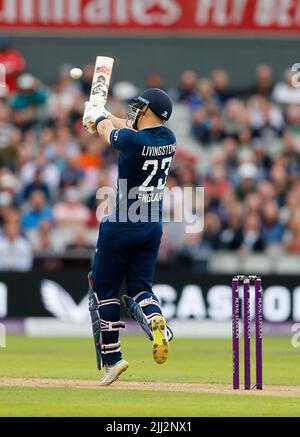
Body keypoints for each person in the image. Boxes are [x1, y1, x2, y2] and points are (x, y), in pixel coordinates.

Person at [83, 88, 176, 386]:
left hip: (122, 224)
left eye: (139, 107)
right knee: (140, 288)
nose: (134, 111)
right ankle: (154, 320)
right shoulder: (168, 139)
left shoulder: (134, 141)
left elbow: (110, 132)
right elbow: (124, 126)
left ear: (148, 111)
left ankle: (113, 359)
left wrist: (96, 115)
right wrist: (100, 113)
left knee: (104, 291)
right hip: (151, 226)